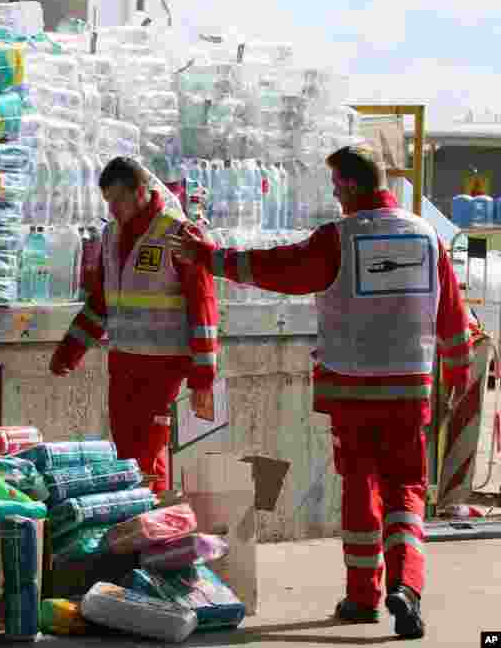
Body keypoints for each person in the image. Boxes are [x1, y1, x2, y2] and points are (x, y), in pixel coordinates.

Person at [162, 145, 473, 639]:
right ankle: (408, 587)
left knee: (359, 488)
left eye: (335, 185)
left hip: (351, 390)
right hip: (409, 389)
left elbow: (276, 268)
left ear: (350, 185)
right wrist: (456, 376)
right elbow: (453, 319)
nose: (333, 194)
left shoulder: (339, 237)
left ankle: (362, 597)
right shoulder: (426, 235)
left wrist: (210, 257)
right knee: (406, 490)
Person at [49, 157, 220, 494]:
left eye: (118, 200)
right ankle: (141, 525)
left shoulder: (180, 233)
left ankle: (150, 528)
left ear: (141, 191)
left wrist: (203, 379)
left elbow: (203, 310)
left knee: (146, 452)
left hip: (164, 366)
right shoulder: (111, 235)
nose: (113, 209)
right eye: (108, 202)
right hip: (124, 362)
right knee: (126, 453)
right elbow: (101, 303)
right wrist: (70, 351)